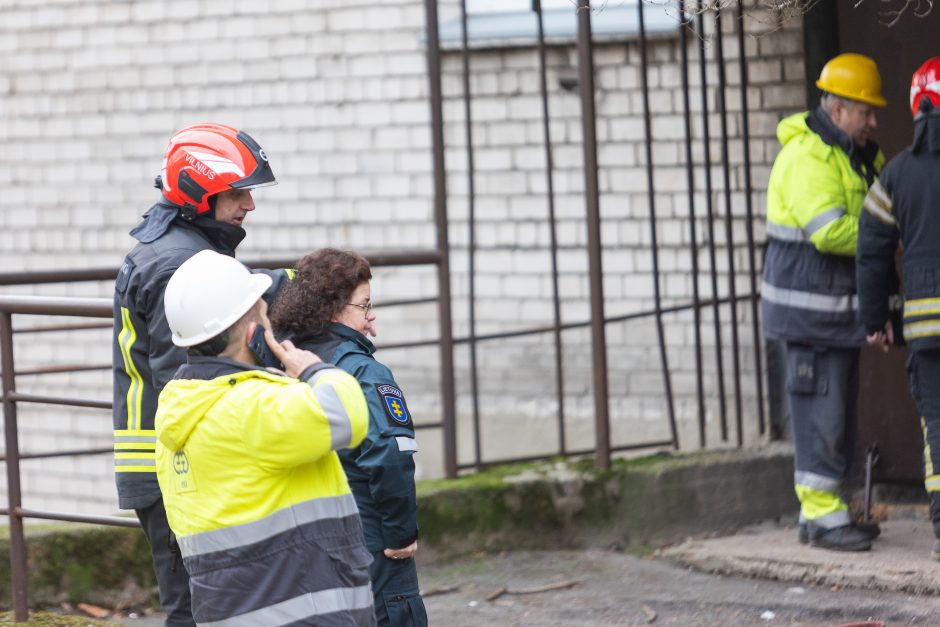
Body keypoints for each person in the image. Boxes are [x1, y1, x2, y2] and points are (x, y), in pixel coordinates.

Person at [111, 123, 285, 625]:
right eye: (238, 192)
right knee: (197, 609)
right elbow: (188, 378)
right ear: (198, 191)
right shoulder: (180, 264)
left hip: (170, 459)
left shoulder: (176, 246)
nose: (249, 205)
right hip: (179, 467)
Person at [155, 249, 374, 625]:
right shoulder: (253, 406)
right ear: (255, 332)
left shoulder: (178, 407)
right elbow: (348, 414)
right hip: (302, 612)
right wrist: (314, 369)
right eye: (263, 314)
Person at [760, 53, 886, 552]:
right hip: (809, 317)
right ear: (837, 110)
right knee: (820, 417)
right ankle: (819, 516)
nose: (874, 120)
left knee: (835, 416)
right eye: (865, 110)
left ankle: (830, 511)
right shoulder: (809, 156)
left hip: (831, 316)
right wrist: (889, 236)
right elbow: (830, 232)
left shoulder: (852, 156)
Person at [270, 248, 429, 627]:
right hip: (369, 533)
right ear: (333, 308)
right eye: (364, 305)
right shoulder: (362, 372)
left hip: (306, 536)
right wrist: (400, 535)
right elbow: (390, 454)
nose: (371, 318)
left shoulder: (286, 362)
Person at [857, 57, 940, 560]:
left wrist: (878, 317)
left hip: (928, 331)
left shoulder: (895, 174)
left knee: (939, 425)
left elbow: (871, 251)